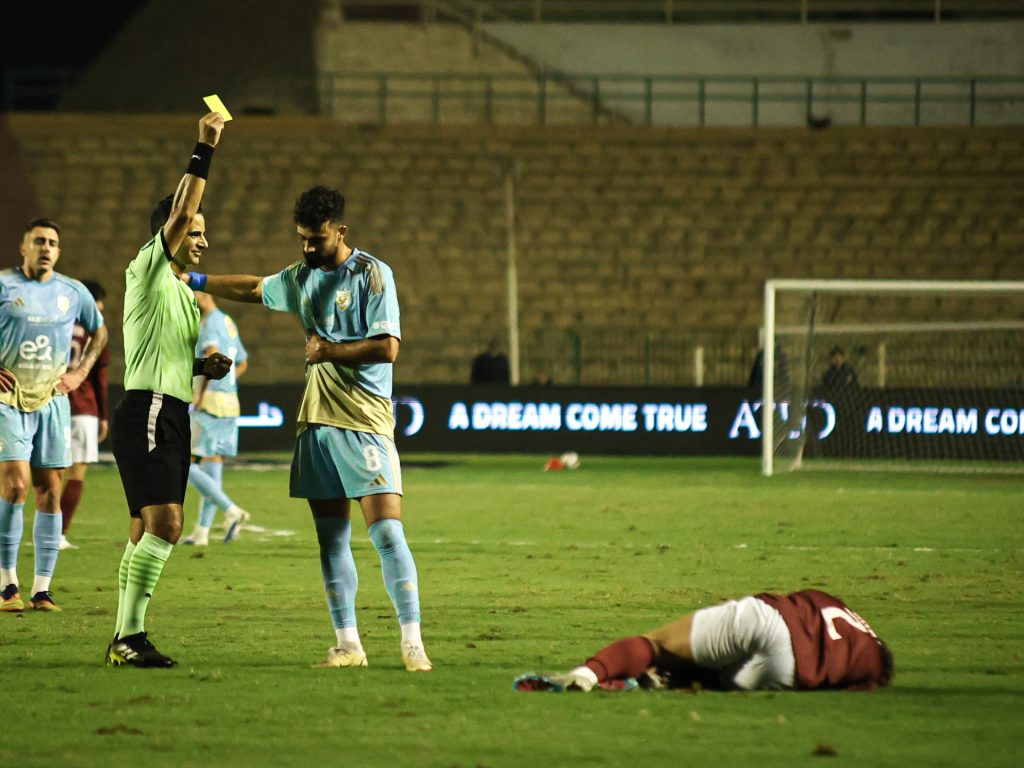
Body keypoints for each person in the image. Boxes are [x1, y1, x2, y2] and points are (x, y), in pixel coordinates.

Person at [185, 185, 432, 672]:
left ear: (340, 231)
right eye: (301, 238)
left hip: (365, 419)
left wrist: (329, 351)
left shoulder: (372, 274)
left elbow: (387, 347)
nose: (307, 248)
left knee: (387, 532)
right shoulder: (301, 276)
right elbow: (253, 288)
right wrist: (192, 277)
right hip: (315, 422)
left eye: (316, 239)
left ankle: (412, 643)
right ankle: (348, 645)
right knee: (331, 539)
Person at [107, 112, 232, 668]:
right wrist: (204, 147)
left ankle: (123, 637)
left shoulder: (180, 293)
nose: (203, 240)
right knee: (168, 526)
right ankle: (130, 636)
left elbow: (167, 356)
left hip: (171, 410)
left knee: (143, 532)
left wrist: (204, 366)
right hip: (149, 410)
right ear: (171, 235)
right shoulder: (148, 269)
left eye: (202, 233)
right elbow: (181, 211)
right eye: (196, 233)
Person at [0, 218, 107, 612]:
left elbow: (100, 333)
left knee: (50, 491)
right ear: (23, 248)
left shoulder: (72, 292)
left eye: (52, 243)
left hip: (52, 400)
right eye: (39, 241)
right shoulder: (4, 285)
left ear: (58, 251)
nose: (46, 247)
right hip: (8, 400)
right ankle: (7, 586)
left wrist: (79, 373)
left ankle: (42, 590)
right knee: (15, 486)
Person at [514, 588, 893, 693]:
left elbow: (800, 601)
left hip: (769, 622)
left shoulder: (844, 612)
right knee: (722, 676)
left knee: (658, 643)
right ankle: (659, 678)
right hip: (789, 672)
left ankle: (585, 675)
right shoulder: (873, 666)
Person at [182, 291, 250, 546]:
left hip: (210, 402)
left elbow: (211, 359)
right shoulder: (227, 320)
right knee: (212, 465)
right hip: (230, 402)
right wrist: (228, 383)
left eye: (197, 291)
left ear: (209, 294)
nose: (193, 295)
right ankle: (202, 531)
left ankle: (231, 509)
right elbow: (242, 362)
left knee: (181, 462)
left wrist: (200, 395)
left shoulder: (209, 322)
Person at [59, 279, 111, 551]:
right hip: (83, 406)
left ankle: (39, 531)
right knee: (76, 473)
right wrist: (103, 415)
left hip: (51, 401)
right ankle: (59, 534)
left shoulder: (55, 320)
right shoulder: (96, 329)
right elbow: (100, 376)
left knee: (49, 473)